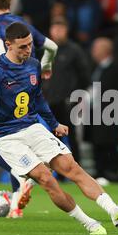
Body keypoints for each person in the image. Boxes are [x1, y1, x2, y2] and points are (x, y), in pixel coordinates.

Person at [0, 22, 118, 234]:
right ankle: (89, 223)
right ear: (8, 45)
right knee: (46, 178)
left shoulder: (33, 64)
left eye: (29, 45)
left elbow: (38, 100)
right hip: (7, 136)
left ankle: (114, 211)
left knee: (72, 168)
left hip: (31, 127)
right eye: (22, 47)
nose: (28, 50)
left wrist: (54, 125)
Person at [0, 0, 59, 216]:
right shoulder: (23, 25)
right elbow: (51, 46)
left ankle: (24, 176)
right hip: (30, 85)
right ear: (9, 5)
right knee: (28, 134)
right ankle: (16, 205)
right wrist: (46, 66)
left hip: (6, 88)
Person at [42, 16, 91, 163]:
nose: (57, 32)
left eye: (61, 28)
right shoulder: (45, 50)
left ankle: (76, 168)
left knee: (70, 136)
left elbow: (85, 76)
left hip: (67, 102)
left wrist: (76, 96)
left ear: (66, 30)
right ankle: (58, 172)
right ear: (51, 31)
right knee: (50, 138)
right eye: (55, 28)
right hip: (48, 101)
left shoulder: (74, 51)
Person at [88, 37, 118, 182]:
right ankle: (99, 172)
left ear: (105, 51)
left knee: (109, 143)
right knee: (96, 143)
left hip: (109, 113)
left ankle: (111, 172)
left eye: (96, 48)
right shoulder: (95, 68)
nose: (93, 51)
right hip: (95, 112)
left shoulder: (116, 68)